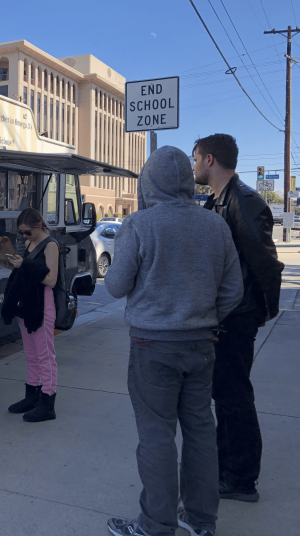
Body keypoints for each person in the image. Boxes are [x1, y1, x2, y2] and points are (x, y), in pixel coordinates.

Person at [104, 146, 243, 536]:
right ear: (186, 180)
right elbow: (233, 290)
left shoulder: (139, 225)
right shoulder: (215, 225)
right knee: (201, 431)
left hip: (152, 347)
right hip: (202, 345)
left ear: (148, 182)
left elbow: (114, 287)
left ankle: (156, 524)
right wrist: (206, 318)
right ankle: (200, 520)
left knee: (156, 436)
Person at [192, 133, 284, 502]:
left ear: (210, 159)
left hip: (237, 316)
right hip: (226, 316)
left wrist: (263, 311)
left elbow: (266, 265)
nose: (193, 165)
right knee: (225, 396)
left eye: (195, 158)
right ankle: (226, 468)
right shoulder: (217, 202)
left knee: (234, 398)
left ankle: (242, 479)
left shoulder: (243, 202)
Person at [0, 208, 60, 422]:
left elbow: (51, 280)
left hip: (43, 304)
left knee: (45, 355)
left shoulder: (51, 245)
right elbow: (27, 272)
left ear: (37, 226)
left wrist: (24, 265)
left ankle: (48, 400)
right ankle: (32, 394)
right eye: (21, 233)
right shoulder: (29, 244)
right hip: (27, 303)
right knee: (31, 353)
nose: (23, 236)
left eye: (26, 232)